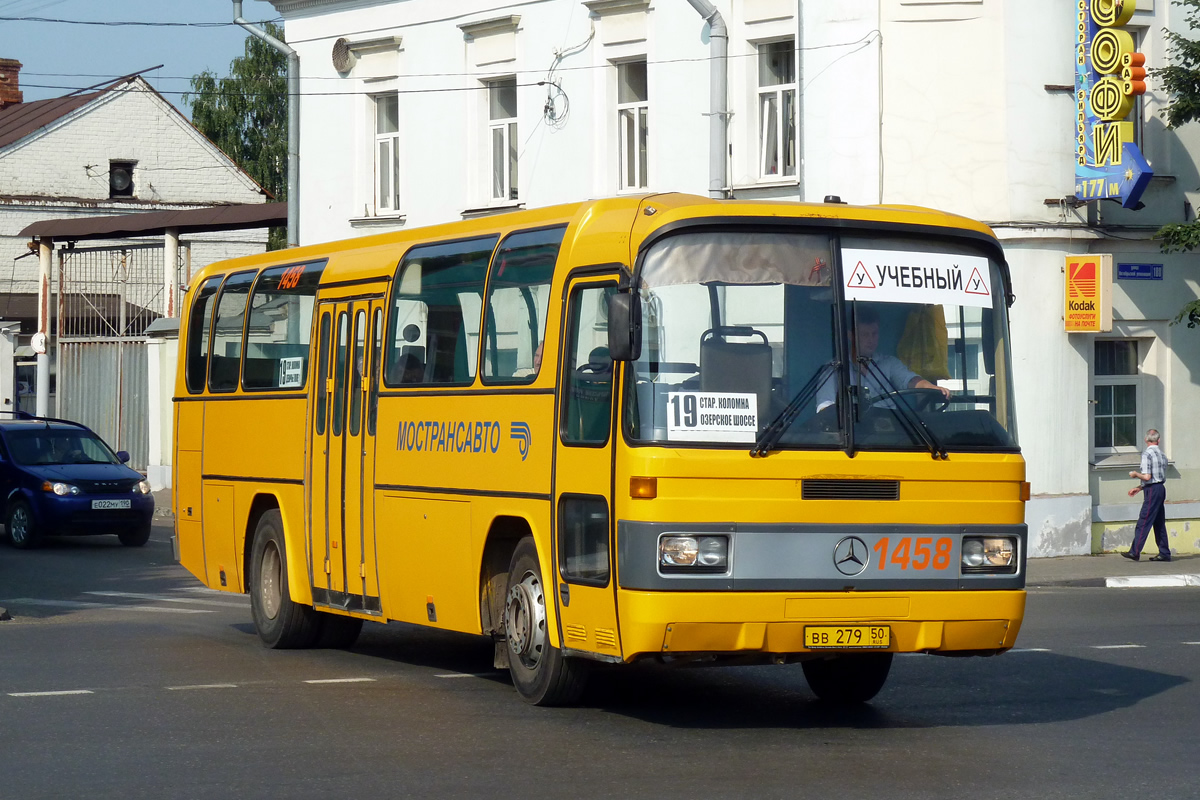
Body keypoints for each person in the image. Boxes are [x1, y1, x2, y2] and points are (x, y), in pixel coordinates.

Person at [816, 305, 951, 412]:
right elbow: (824, 407)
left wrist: (930, 387)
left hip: (888, 436)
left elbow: (909, 380)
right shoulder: (835, 368)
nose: (871, 340)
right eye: (865, 334)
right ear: (851, 336)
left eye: (874, 334)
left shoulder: (889, 363)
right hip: (854, 434)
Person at [1122, 428, 1170, 562]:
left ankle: (1135, 551)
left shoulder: (1147, 454)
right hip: (1160, 488)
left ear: (1145, 440)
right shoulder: (1162, 455)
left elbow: (1148, 476)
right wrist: (1139, 487)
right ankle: (1164, 552)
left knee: (1144, 520)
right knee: (1159, 521)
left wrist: (1135, 474)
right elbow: (1157, 476)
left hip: (1152, 490)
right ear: (1159, 440)